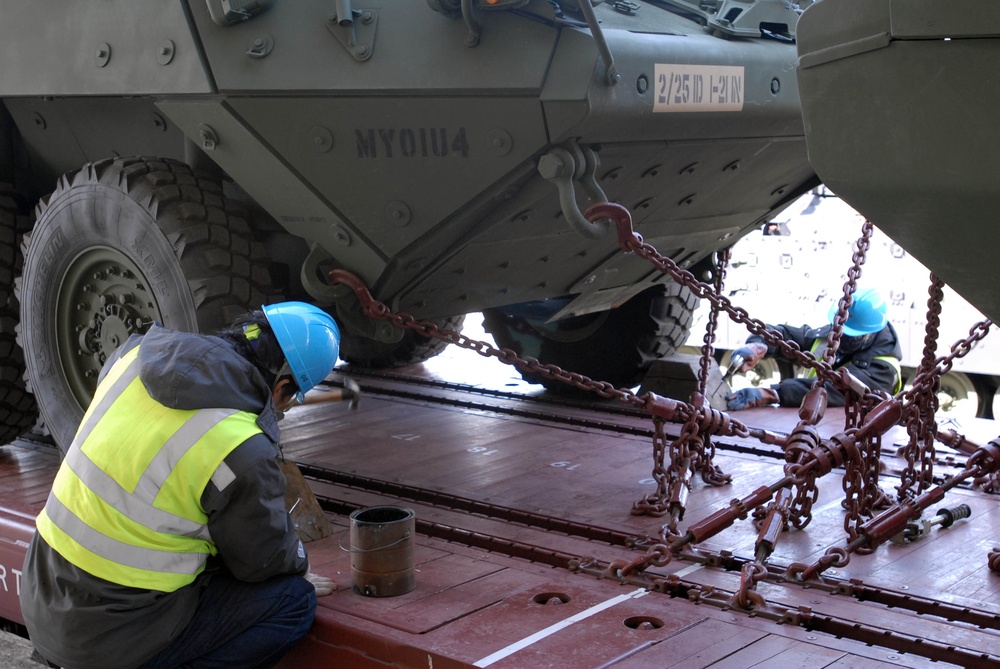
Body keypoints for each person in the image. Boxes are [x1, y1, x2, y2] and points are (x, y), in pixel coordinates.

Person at [20, 301, 347, 669]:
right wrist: (298, 562)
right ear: (282, 387)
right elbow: (262, 562)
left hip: (43, 597)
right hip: (107, 638)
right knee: (292, 602)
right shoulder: (239, 446)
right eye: (286, 404)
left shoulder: (132, 356)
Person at [726, 288, 902, 410]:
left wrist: (771, 393)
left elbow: (834, 389)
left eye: (850, 334)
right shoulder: (835, 335)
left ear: (871, 332)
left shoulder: (884, 368)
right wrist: (759, 345)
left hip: (854, 438)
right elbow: (791, 337)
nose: (841, 337)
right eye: (839, 329)